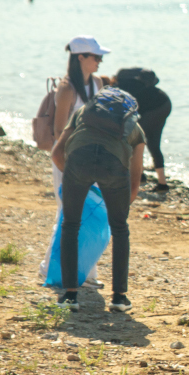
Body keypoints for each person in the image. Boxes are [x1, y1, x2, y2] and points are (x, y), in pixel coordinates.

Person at [50, 87, 146, 312]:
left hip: (79, 158)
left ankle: (70, 296)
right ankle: (119, 298)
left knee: (71, 225)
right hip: (114, 165)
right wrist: (121, 203)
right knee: (120, 229)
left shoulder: (82, 112)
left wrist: (78, 179)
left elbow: (56, 154)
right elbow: (135, 176)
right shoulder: (135, 127)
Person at [39, 36, 108, 288]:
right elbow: (59, 132)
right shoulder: (67, 88)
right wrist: (66, 165)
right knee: (68, 212)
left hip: (92, 157)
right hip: (67, 159)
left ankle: (86, 272)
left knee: (88, 212)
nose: (100, 61)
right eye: (96, 57)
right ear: (81, 57)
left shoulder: (97, 83)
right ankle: (50, 267)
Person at [115, 68, 172, 192]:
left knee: (135, 141)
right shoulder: (126, 82)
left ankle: (140, 177)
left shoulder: (120, 88)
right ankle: (162, 184)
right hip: (164, 103)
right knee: (153, 143)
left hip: (155, 108)